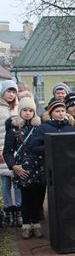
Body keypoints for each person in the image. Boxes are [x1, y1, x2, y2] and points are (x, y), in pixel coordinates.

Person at [27, 100, 75, 237]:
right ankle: (56, 228)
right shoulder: (43, 128)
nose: (60, 114)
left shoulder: (70, 127)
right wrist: (52, 146)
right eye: (57, 111)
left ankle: (70, 225)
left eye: (62, 111)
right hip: (51, 168)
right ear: (51, 113)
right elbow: (33, 147)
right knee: (54, 199)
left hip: (69, 168)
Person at [3, 96, 42, 238]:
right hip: (22, 170)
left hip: (38, 168)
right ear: (20, 111)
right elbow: (7, 152)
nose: (27, 113)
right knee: (25, 198)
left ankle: (36, 223)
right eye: (25, 110)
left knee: (37, 198)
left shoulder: (39, 128)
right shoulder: (13, 129)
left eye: (30, 110)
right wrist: (13, 166)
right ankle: (26, 224)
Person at [0, 80, 20, 227]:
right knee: (5, 183)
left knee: (17, 182)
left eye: (13, 92)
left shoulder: (18, 108)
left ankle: (19, 209)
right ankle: (8, 210)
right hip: (2, 151)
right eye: (9, 91)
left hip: (16, 151)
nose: (11, 94)